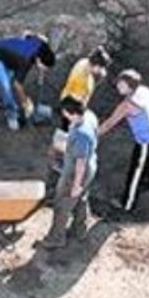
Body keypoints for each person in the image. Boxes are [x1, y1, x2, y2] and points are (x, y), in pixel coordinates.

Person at [98, 69, 149, 212]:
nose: (117, 87)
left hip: (145, 141)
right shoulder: (145, 90)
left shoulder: (128, 105)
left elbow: (109, 123)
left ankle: (127, 204)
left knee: (135, 172)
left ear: (129, 86)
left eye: (121, 84)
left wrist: (93, 134)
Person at [42, 97, 100, 249]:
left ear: (71, 113)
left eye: (65, 113)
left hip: (76, 173)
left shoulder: (81, 133)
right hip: (91, 165)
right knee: (81, 198)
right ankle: (80, 229)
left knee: (62, 204)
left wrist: (76, 185)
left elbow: (80, 162)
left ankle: (56, 238)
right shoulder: (89, 115)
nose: (64, 115)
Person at [49, 47, 111, 170]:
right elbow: (75, 97)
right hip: (71, 105)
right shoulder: (81, 76)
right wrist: (76, 113)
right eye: (101, 68)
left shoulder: (84, 63)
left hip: (73, 102)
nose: (101, 71)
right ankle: (56, 160)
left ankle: (60, 156)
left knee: (67, 132)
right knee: (65, 133)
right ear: (96, 65)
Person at [0, 32, 56, 131]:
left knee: (8, 81)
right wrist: (25, 103)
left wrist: (41, 72)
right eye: (44, 67)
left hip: (9, 55)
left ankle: (2, 99)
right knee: (6, 85)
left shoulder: (41, 44)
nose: (44, 70)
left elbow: (27, 35)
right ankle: (12, 115)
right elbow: (17, 85)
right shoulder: (25, 60)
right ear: (39, 60)